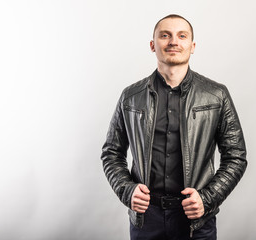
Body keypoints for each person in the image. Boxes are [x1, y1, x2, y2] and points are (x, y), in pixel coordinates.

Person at [101, 14, 247, 240]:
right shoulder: (130, 97)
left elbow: (236, 156)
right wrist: (127, 190)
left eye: (182, 36)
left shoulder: (216, 95)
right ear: (153, 45)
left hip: (196, 220)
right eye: (165, 35)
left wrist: (207, 199)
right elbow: (111, 152)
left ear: (192, 45)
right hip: (145, 218)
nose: (173, 42)